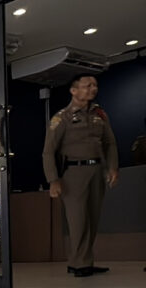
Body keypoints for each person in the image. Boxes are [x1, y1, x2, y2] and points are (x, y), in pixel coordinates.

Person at [42, 74, 119, 277]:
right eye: (87, 86)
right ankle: (78, 263)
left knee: (93, 218)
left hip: (97, 171)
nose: (92, 89)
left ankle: (84, 261)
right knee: (78, 220)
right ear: (74, 90)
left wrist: (113, 168)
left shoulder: (100, 114)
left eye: (95, 85)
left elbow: (110, 143)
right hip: (73, 174)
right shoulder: (62, 118)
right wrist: (53, 180)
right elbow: (48, 151)